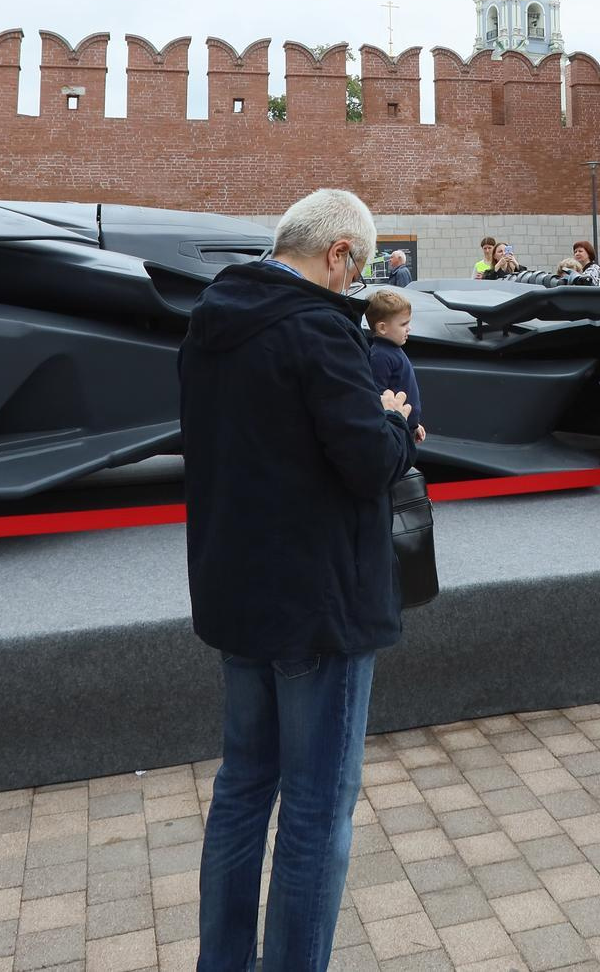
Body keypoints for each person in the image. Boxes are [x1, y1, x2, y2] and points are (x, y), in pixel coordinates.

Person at [180, 189, 417, 972]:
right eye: (361, 265)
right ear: (339, 252)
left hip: (237, 589)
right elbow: (370, 462)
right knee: (317, 810)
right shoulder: (319, 329)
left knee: (243, 791)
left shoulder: (211, 319)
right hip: (318, 603)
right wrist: (389, 417)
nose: (359, 283)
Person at [363, 288, 427, 446]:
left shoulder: (393, 349)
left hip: (405, 427)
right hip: (395, 431)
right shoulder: (380, 356)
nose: (409, 328)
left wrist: (414, 425)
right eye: (404, 324)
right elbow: (379, 397)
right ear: (382, 328)